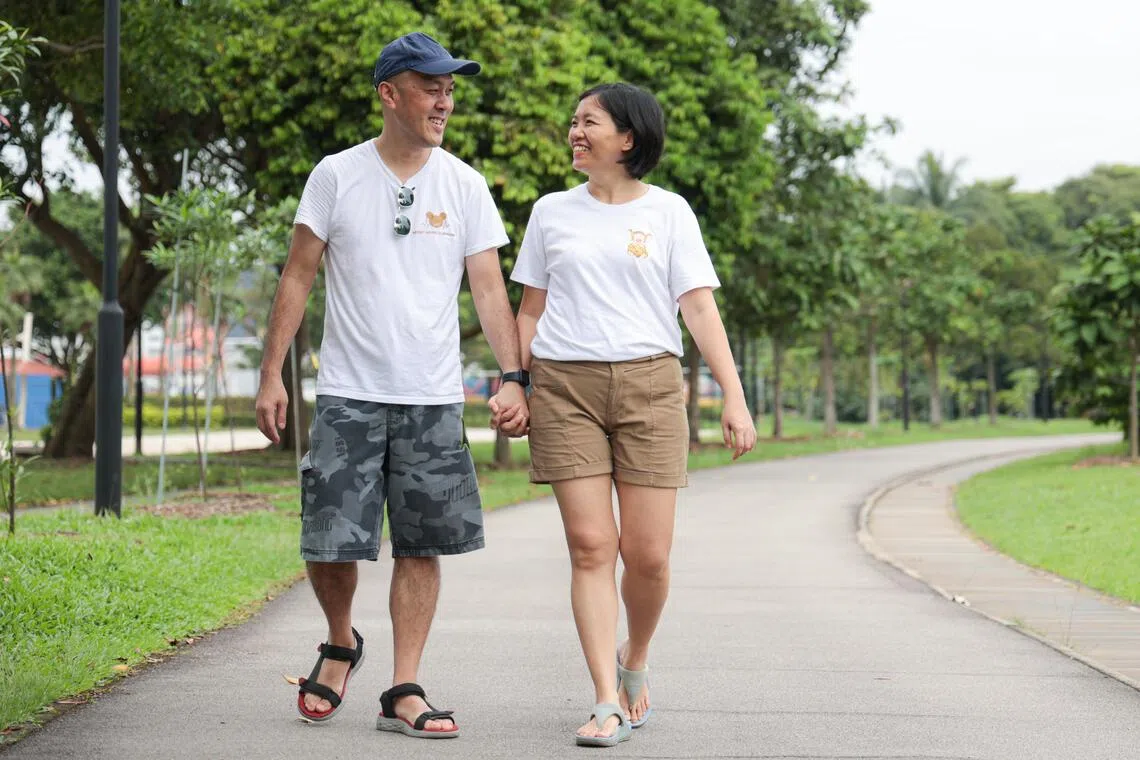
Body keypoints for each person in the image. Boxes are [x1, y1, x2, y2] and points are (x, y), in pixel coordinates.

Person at [254, 31, 529, 740]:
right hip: (348, 390)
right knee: (330, 539)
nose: (445, 98)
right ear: (389, 94)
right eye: (431, 85)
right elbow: (298, 274)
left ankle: (404, 687)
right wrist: (271, 375)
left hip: (432, 396)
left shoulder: (464, 184)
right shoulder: (337, 176)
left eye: (451, 87)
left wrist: (515, 375)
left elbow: (490, 288)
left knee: (421, 542)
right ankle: (341, 640)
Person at [495, 82, 757, 747]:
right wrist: (517, 382)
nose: (575, 132)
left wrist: (733, 394)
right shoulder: (552, 212)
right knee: (590, 547)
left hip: (650, 385)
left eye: (589, 122)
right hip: (565, 388)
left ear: (628, 138)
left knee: (648, 555)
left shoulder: (670, 213)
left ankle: (634, 657)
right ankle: (605, 701)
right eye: (574, 122)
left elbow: (698, 308)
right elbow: (530, 310)